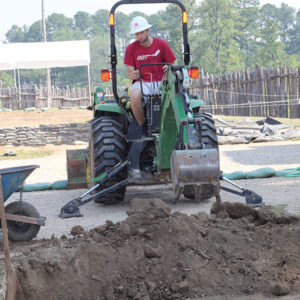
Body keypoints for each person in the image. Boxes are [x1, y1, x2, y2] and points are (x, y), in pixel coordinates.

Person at [124, 16, 176, 126]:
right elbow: (129, 71)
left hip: (162, 81)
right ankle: (142, 126)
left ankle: (172, 124)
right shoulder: (131, 48)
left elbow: (173, 65)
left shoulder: (161, 44)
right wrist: (131, 74)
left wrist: (168, 68)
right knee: (134, 95)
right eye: (136, 34)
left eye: (141, 33)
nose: (139, 36)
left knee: (177, 94)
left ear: (148, 30)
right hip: (142, 83)